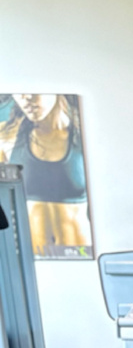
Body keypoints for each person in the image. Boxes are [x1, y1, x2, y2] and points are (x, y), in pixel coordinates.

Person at [0, 94, 92, 258]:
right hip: (32, 256)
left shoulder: (85, 135)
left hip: (79, 252)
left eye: (33, 91)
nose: (26, 98)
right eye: (20, 93)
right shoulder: (6, 136)